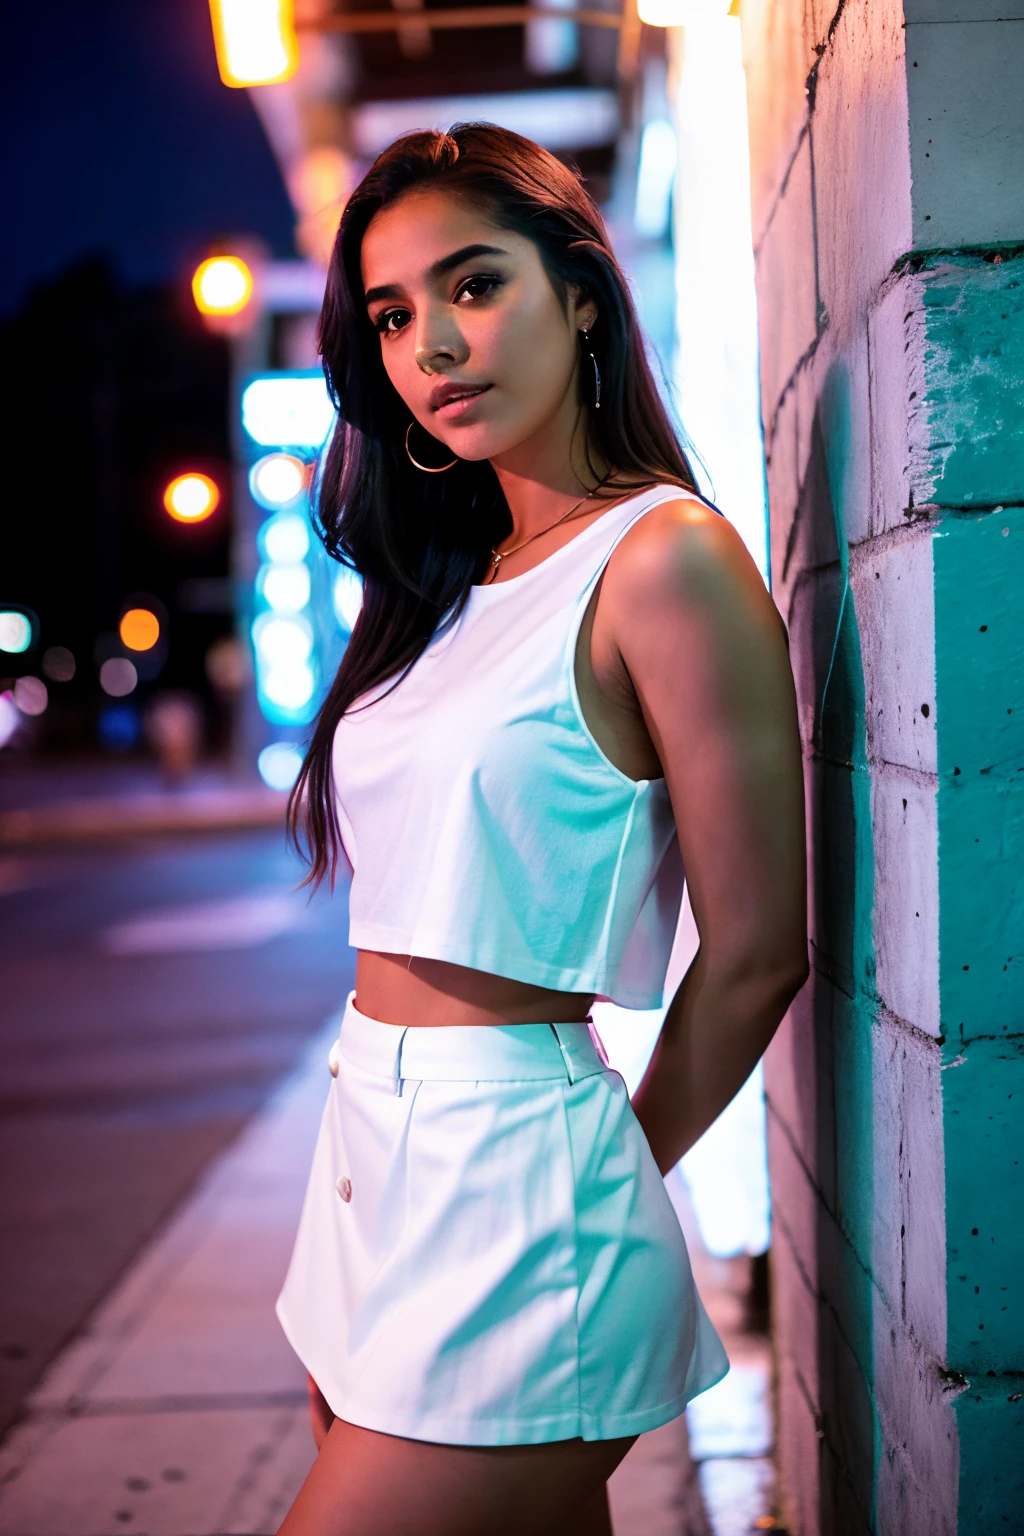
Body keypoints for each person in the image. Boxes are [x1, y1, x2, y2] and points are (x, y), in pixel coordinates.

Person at [275, 123, 807, 1536]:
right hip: (369, 1166)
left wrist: (606, 1170)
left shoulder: (664, 561)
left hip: (518, 1188)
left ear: (579, 290)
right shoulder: (454, 589)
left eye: (471, 285)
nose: (431, 346)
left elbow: (758, 950)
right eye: (392, 315)